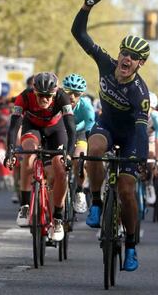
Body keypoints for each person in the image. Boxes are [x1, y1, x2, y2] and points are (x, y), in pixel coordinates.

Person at [72, 0, 150, 271]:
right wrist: (86, 7)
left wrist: (140, 159)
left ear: (141, 64)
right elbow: (79, 34)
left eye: (134, 57)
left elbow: (141, 132)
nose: (127, 59)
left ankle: (130, 246)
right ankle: (95, 202)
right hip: (106, 126)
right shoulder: (105, 62)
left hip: (130, 138)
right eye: (125, 53)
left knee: (127, 191)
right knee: (93, 150)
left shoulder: (139, 92)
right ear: (119, 53)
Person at [4, 72, 76, 242]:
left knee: (60, 170)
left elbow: (71, 129)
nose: (44, 99)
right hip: (32, 127)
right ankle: (24, 206)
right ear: (34, 91)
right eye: (40, 96)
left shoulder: (62, 97)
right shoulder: (24, 97)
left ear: (54, 93)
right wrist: (10, 151)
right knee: (28, 155)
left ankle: (58, 218)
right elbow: (13, 127)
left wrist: (69, 154)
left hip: (56, 130)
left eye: (48, 96)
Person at [62, 73, 95, 213]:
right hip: (62, 132)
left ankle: (80, 191)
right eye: (68, 93)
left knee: (79, 159)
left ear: (81, 94)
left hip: (80, 133)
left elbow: (90, 131)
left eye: (76, 94)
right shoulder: (57, 102)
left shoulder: (86, 107)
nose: (72, 97)